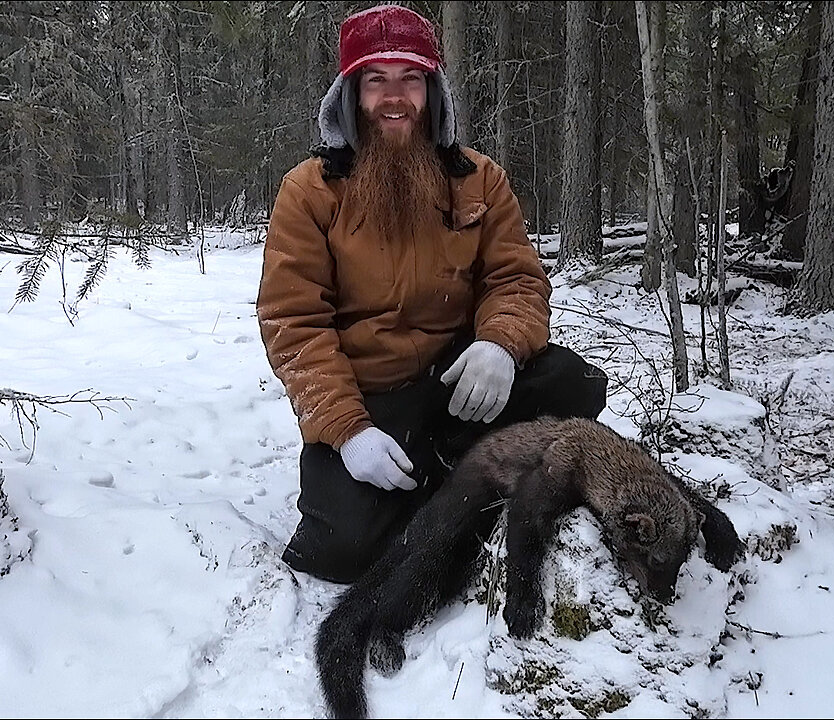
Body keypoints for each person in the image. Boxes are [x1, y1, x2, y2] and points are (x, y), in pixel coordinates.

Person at [257, 4, 608, 584]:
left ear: (433, 92)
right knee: (341, 551)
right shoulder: (309, 191)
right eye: (377, 80)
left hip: (459, 382)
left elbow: (515, 281)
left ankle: (451, 464)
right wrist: (348, 429)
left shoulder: (479, 179)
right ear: (351, 95)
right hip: (369, 400)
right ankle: (440, 475)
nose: (395, 97)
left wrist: (500, 343)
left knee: (576, 383)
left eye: (410, 79)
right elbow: (294, 325)